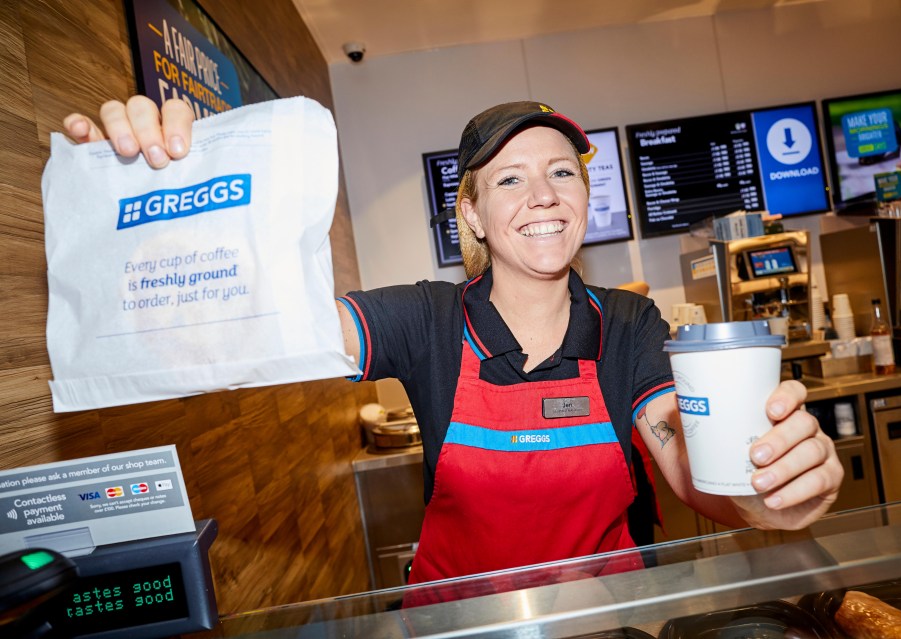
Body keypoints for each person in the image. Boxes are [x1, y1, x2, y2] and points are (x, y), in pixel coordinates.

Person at [63, 97, 843, 589]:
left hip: (611, 618)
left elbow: (687, 465)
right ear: (470, 214)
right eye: (508, 179)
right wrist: (158, 192)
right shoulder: (427, 320)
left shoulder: (629, 325)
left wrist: (768, 494)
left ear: (583, 196)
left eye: (562, 173)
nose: (542, 195)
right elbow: (252, 328)